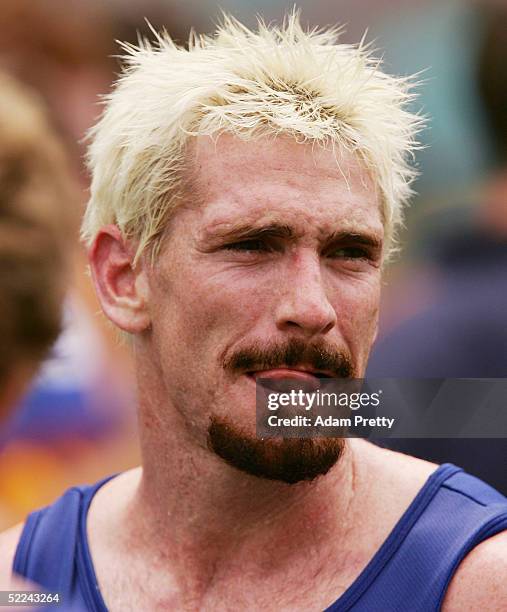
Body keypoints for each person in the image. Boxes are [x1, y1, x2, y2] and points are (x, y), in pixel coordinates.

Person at [1, 13, 506, 611]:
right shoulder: (26, 581)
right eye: (253, 246)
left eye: (350, 254)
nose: (312, 307)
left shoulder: (474, 582)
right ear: (123, 276)